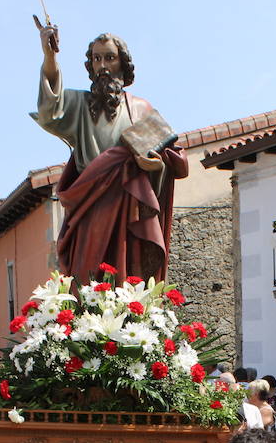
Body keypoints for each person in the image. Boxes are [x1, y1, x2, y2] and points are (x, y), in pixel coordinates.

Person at [34, 26, 189, 281]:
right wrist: (49, 56)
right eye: (97, 59)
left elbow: (174, 159)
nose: (103, 65)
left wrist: (155, 167)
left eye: (109, 57)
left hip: (129, 203)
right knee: (87, 276)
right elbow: (50, 108)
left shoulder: (141, 108)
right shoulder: (80, 105)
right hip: (90, 203)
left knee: (127, 274)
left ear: (122, 63)